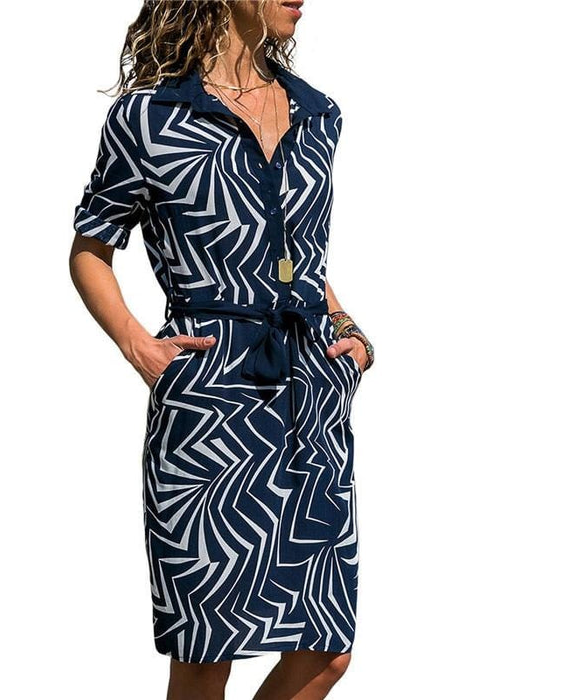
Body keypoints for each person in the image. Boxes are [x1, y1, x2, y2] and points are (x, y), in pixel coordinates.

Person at [69, 1, 375, 698]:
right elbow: (90, 250)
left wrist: (348, 328)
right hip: (210, 409)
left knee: (326, 651)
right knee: (207, 657)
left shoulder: (318, 114)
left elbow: (298, 253)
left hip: (311, 404)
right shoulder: (149, 119)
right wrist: (138, 346)